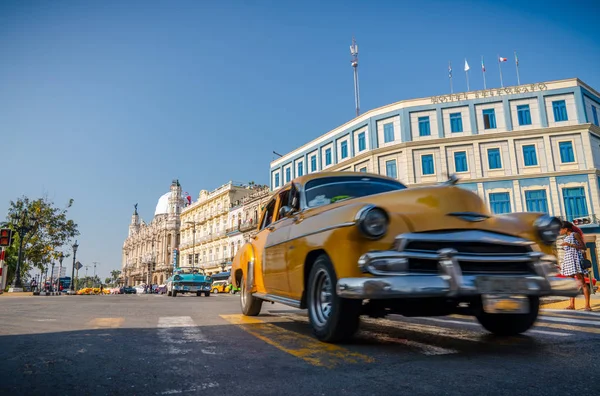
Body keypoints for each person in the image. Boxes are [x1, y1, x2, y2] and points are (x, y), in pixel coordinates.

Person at [560, 221, 591, 311]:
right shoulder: (565, 237)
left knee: (583, 283)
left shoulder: (575, 234)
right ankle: (572, 305)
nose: (559, 231)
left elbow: (584, 247)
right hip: (568, 261)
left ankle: (587, 305)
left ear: (566, 229)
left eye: (560, 229)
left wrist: (570, 244)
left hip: (575, 260)